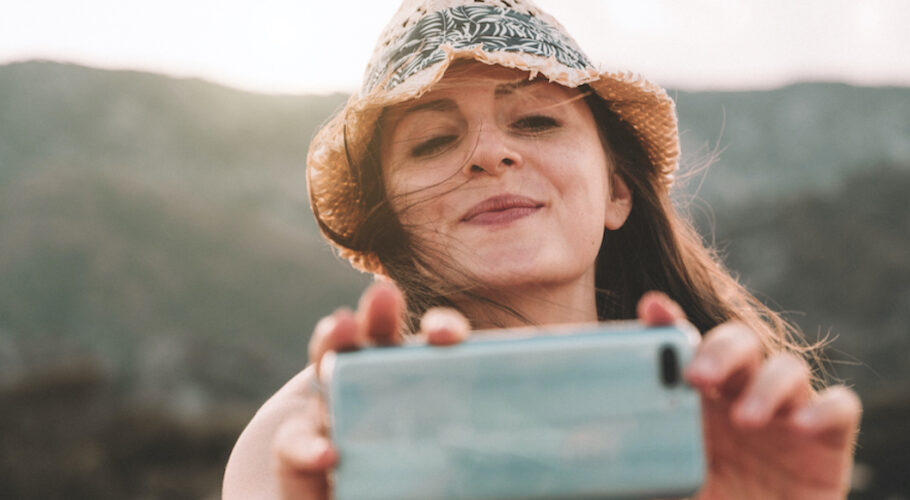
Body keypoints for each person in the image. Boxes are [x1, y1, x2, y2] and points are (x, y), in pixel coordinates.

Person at [223, 0, 862, 498]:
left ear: (616, 189)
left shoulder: (729, 426)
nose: (489, 153)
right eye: (432, 141)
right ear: (391, 222)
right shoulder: (312, 438)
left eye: (535, 120)